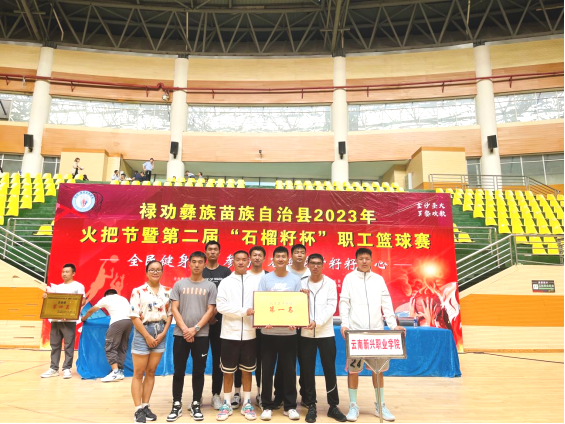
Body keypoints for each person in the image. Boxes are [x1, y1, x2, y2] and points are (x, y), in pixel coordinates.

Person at [339, 248, 406, 423]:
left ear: (371, 260)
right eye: (361, 258)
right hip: (355, 333)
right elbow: (344, 302)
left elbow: (386, 303)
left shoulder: (378, 279)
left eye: (367, 258)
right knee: (353, 370)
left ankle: (380, 405)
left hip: (377, 333)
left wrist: (393, 325)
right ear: (355, 260)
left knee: (378, 371)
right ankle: (353, 405)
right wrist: (345, 324)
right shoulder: (349, 278)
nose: (364, 261)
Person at [167, 251, 217, 423]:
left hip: (201, 335)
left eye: (200, 262)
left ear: (204, 264)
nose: (196, 265)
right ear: (188, 264)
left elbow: (210, 310)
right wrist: (185, 329)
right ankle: (176, 404)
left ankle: (196, 403)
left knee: (198, 371)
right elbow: (174, 308)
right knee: (178, 371)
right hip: (180, 335)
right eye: (194, 261)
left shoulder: (210, 286)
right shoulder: (179, 285)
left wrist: (195, 329)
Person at [258, 246, 304, 422]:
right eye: (277, 256)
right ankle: (266, 405)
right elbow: (261, 302)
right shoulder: (265, 279)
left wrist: (296, 320)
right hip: (268, 333)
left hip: (289, 334)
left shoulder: (295, 279)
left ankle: (290, 406)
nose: (280, 259)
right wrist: (264, 319)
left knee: (290, 371)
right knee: (267, 370)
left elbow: (298, 304)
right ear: (273, 259)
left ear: (287, 259)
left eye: (283, 256)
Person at [300, 254, 347, 423]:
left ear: (323, 265)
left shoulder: (330, 283)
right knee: (307, 371)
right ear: (307, 264)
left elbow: (331, 306)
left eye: (318, 263)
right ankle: (311, 405)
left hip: (326, 333)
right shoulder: (301, 283)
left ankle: (333, 406)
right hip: (305, 334)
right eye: (312, 263)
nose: (315, 266)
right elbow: (296, 305)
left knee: (329, 370)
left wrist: (317, 322)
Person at [215, 250, 260, 421]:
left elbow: (262, 304)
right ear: (232, 261)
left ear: (248, 261)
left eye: (244, 259)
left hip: (250, 334)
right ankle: (226, 403)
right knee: (228, 371)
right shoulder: (226, 282)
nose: (241, 262)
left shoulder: (255, 281)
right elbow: (221, 307)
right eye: (238, 259)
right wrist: (243, 311)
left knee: (247, 371)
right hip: (229, 334)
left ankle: (247, 403)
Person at [130, 261, 173, 424]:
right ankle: (138, 409)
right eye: (152, 270)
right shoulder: (138, 291)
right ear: (146, 272)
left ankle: (146, 405)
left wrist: (163, 333)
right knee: (138, 372)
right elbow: (134, 316)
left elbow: (170, 314)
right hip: (143, 331)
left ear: (162, 272)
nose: (155, 272)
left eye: (158, 270)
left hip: (160, 331)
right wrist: (147, 336)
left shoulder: (168, 291)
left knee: (151, 371)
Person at [41, 264, 86, 380]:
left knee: (68, 345)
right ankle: (54, 368)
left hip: (69, 320)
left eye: (67, 272)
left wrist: (69, 313)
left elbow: (82, 301)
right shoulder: (57, 287)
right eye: (63, 272)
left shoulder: (78, 286)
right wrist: (46, 297)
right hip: (55, 319)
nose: (64, 274)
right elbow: (53, 302)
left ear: (73, 273)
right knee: (55, 345)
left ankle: (67, 368)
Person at [202, 241, 233, 410]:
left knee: (218, 361)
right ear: (205, 252)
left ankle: (216, 394)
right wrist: (207, 317)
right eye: (210, 249)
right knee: (199, 361)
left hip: (219, 322)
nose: (212, 252)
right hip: (201, 323)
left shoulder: (226, 272)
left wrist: (214, 314)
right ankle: (197, 395)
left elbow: (227, 296)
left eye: (215, 249)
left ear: (219, 253)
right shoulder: (200, 270)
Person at [81, 288, 133, 383]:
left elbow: (91, 310)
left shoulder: (106, 299)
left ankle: (115, 372)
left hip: (117, 322)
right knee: (122, 347)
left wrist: (84, 318)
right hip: (129, 322)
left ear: (106, 295)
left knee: (110, 347)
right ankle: (120, 371)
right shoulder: (123, 299)